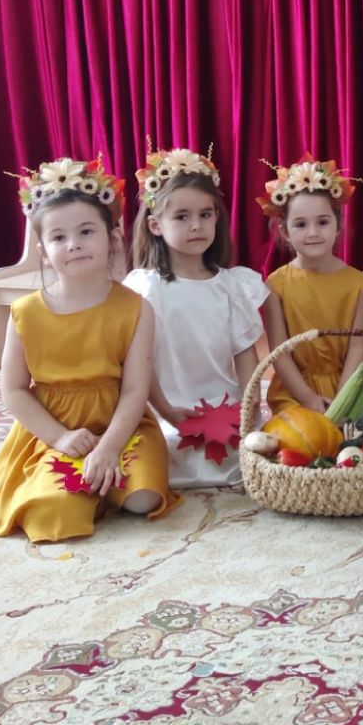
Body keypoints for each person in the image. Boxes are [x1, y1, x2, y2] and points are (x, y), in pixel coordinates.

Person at [0, 159, 165, 542]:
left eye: (86, 232)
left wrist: (109, 447)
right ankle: (82, 491)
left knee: (144, 498)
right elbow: (13, 391)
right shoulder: (25, 313)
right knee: (52, 514)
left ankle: (103, 484)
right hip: (56, 428)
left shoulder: (136, 308)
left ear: (111, 237)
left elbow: (134, 390)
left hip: (120, 427)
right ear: (43, 251)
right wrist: (60, 438)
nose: (73, 244)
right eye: (59, 237)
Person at [127, 147, 270, 489]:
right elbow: (139, 362)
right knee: (160, 451)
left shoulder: (232, 285)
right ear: (155, 225)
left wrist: (251, 401)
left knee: (258, 444)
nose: (196, 225)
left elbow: (244, 352)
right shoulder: (146, 288)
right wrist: (166, 411)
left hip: (224, 406)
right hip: (168, 408)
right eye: (182, 217)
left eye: (205, 214)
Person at [257, 159, 363, 406]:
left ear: (338, 225)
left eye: (322, 222)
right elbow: (280, 353)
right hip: (296, 391)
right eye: (300, 224)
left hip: (347, 388)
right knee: (297, 430)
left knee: (361, 429)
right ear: (285, 232)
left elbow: (357, 348)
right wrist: (308, 399)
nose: (312, 233)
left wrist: (341, 401)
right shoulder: (276, 285)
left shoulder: (359, 284)